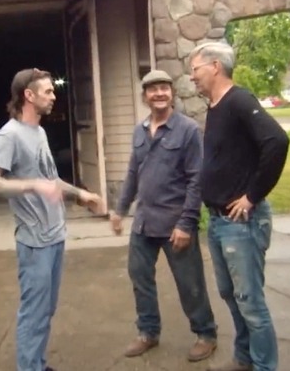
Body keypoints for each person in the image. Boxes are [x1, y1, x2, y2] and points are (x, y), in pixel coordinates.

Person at [0, 68, 105, 371]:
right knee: (33, 312)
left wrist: (79, 194)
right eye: (47, 91)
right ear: (29, 95)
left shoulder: (40, 132)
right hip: (34, 242)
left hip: (55, 236)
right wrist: (31, 185)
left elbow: (50, 179)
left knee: (46, 310)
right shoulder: (9, 135)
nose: (53, 95)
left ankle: (37, 363)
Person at [188, 42, 290, 371]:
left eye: (195, 70)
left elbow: (277, 141)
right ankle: (244, 358)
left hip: (242, 224)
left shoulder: (239, 101)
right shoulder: (216, 106)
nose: (192, 78)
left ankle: (263, 366)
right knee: (231, 296)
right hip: (219, 222)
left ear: (215, 66)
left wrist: (251, 196)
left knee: (251, 304)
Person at [109, 70, 219, 362]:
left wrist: (187, 223)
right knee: (140, 277)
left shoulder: (188, 130)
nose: (159, 93)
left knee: (189, 282)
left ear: (172, 93)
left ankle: (206, 334)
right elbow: (133, 173)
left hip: (175, 224)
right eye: (152, 89)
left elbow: (197, 180)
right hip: (144, 222)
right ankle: (148, 332)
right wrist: (120, 210)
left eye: (164, 88)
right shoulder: (139, 130)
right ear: (145, 96)